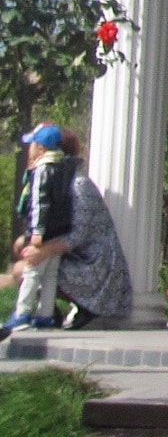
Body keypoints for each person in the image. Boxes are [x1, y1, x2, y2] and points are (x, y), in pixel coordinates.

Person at [2, 126, 131, 335]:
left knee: (24, 268)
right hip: (77, 259)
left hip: (96, 270)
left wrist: (42, 251)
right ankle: (47, 313)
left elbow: (77, 236)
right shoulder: (59, 181)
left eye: (35, 146)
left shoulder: (78, 185)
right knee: (27, 256)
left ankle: (65, 309)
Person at [4, 124, 72, 335]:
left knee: (32, 271)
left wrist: (36, 232)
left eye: (32, 144)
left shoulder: (42, 170)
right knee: (50, 274)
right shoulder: (62, 168)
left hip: (43, 232)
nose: (29, 149)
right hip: (59, 231)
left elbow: (40, 203)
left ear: (41, 148)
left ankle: (22, 313)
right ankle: (45, 315)